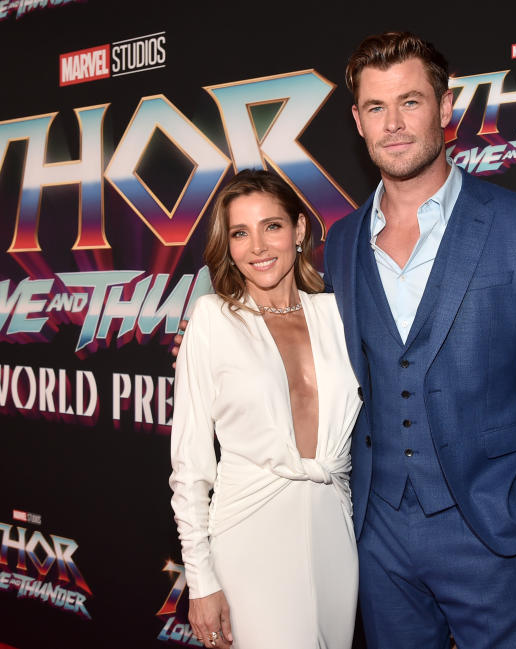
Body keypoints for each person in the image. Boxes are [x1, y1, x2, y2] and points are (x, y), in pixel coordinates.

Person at [320, 32, 516, 649]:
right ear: (357, 120)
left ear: (445, 109)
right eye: (376, 107)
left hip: (491, 524)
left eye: (410, 102)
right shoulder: (340, 241)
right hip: (377, 531)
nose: (393, 124)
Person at [169, 170, 361, 649]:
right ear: (228, 246)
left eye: (271, 226)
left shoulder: (338, 315)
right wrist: (201, 579)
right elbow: (190, 465)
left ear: (298, 230)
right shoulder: (214, 319)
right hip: (249, 534)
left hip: (335, 530)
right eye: (240, 233)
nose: (257, 246)